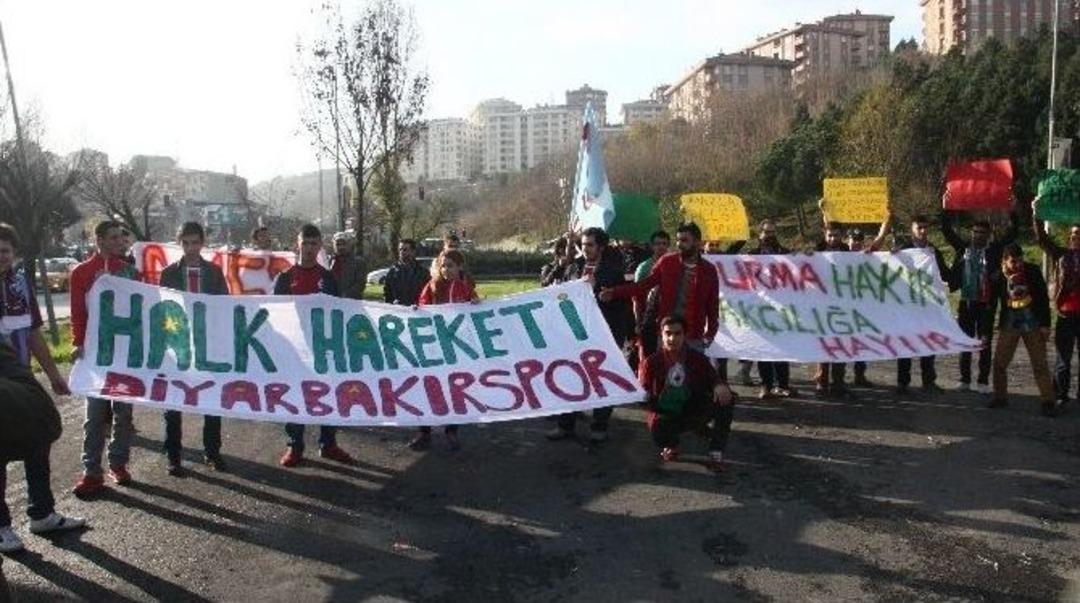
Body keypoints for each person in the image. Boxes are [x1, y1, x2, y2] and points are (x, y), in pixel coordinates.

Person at [0, 225, 85, 553]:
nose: (1, 256)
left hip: (22, 378)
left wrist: (53, 375)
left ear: (14, 253)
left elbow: (34, 332)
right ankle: (2, 526)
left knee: (38, 440)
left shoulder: (21, 284)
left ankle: (42, 514)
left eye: (5, 250)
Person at [71, 220, 143, 497]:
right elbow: (78, 311)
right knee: (95, 414)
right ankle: (91, 471)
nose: (118, 242)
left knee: (123, 412)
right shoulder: (81, 272)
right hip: (95, 353)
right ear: (98, 240)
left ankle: (118, 463)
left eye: (120, 238)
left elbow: (140, 310)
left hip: (124, 351)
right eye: (112, 237)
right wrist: (78, 342)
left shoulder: (130, 272)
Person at [275, 224, 357, 467]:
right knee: (295, 394)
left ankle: (328, 443)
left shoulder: (328, 278)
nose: (309, 248)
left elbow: (338, 312)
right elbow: (276, 313)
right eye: (305, 243)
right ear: (297, 244)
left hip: (324, 348)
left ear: (320, 246)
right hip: (295, 349)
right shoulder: (285, 277)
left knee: (328, 393)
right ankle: (294, 445)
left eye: (313, 244)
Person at [158, 222, 229, 475]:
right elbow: (163, 308)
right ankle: (173, 455)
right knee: (173, 400)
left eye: (195, 243)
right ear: (179, 243)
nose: (191, 248)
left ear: (202, 243)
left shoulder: (214, 272)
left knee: (211, 398)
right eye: (186, 243)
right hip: (177, 343)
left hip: (207, 342)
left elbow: (224, 305)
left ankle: (212, 452)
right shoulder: (168, 273)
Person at [549, 227, 630, 442]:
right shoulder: (573, 267)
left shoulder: (613, 272)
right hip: (575, 335)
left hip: (603, 335)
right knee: (569, 377)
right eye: (583, 244)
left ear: (601, 247)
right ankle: (565, 424)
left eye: (590, 245)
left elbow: (621, 306)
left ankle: (599, 426)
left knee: (602, 380)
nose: (585, 249)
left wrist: (599, 290)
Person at [408, 249, 480, 451]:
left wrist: (476, 304)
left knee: (454, 388)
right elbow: (422, 306)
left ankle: (452, 430)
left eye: (450, 265)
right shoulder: (432, 286)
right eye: (443, 266)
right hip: (433, 347)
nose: (446, 269)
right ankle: (424, 432)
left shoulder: (465, 288)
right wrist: (416, 310)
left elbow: (476, 312)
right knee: (428, 386)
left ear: (460, 267)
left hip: (456, 348)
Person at [640, 316, 733, 472]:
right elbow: (643, 391)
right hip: (666, 411)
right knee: (658, 429)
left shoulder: (697, 358)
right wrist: (647, 398)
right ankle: (672, 445)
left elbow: (713, 377)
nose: (672, 338)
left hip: (693, 406)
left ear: (684, 335)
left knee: (726, 399)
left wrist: (719, 385)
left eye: (677, 333)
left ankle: (716, 450)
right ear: (661, 334)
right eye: (668, 333)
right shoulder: (651, 362)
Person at [942, 205, 1018, 393]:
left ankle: (983, 381)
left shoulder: (995, 250)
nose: (978, 235)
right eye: (975, 232)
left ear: (988, 234)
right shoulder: (964, 248)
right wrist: (946, 208)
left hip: (987, 304)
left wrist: (1012, 209)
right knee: (965, 341)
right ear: (971, 233)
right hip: (967, 302)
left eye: (982, 233)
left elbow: (1013, 233)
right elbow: (947, 232)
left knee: (984, 342)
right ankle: (964, 380)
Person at [987, 243, 1056, 415]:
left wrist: (1046, 325)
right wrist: (987, 324)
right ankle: (1000, 397)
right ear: (1004, 261)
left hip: (1032, 323)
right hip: (1010, 323)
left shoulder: (1032, 271)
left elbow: (1043, 298)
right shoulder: (999, 275)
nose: (1017, 264)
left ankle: (1048, 402)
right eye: (1013, 261)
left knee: (1040, 364)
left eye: (1020, 260)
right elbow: (992, 300)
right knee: (999, 363)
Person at [1032, 197, 1080, 410]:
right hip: (1066, 314)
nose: (1076, 237)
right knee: (1063, 358)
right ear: (1069, 237)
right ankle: (1060, 394)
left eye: (1079, 234)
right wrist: (1036, 213)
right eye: (1074, 234)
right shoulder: (1061, 255)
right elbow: (1042, 240)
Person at [894, 214, 949, 394]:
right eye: (919, 228)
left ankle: (928, 381)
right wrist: (892, 255)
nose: (923, 231)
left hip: (928, 306)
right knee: (906, 344)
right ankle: (903, 383)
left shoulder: (933, 252)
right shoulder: (903, 250)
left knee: (928, 343)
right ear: (912, 229)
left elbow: (945, 274)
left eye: (926, 228)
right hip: (907, 305)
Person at [837, 210, 892, 388]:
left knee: (861, 341)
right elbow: (828, 234)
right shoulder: (839, 253)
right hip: (841, 307)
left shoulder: (867, 254)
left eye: (859, 240)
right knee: (842, 342)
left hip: (861, 307)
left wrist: (886, 219)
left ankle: (859, 375)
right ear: (847, 240)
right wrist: (824, 212)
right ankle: (838, 378)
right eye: (853, 239)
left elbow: (880, 238)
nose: (856, 243)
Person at [744, 220, 794, 398]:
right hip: (760, 310)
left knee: (782, 349)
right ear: (760, 234)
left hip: (781, 310)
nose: (770, 235)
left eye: (772, 232)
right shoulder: (751, 255)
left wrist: (809, 257)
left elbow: (799, 269)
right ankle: (766, 386)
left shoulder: (785, 254)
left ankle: (783, 385)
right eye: (766, 232)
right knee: (763, 349)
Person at [813, 221, 851, 398]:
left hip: (842, 305)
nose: (833, 238)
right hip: (822, 306)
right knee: (824, 345)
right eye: (830, 235)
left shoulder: (847, 251)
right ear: (825, 235)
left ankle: (838, 383)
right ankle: (822, 382)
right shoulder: (817, 250)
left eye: (836, 235)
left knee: (840, 345)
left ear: (841, 236)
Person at [631, 230, 670, 359]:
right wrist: (638, 323)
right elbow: (636, 297)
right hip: (649, 319)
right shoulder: (644, 267)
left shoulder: (675, 265)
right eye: (658, 243)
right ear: (652, 246)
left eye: (664, 243)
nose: (661, 247)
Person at [384, 238, 430, 306]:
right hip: (398, 310)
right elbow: (387, 295)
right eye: (400, 249)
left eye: (405, 250)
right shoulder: (392, 272)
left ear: (413, 251)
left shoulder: (423, 273)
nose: (402, 252)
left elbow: (427, 294)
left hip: (417, 309)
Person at [331, 231, 367, 300]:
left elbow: (360, 284)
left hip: (352, 302)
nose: (341, 247)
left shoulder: (358, 262)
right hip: (332, 301)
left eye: (344, 244)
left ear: (349, 245)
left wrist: (344, 296)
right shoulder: (330, 262)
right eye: (338, 244)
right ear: (334, 246)